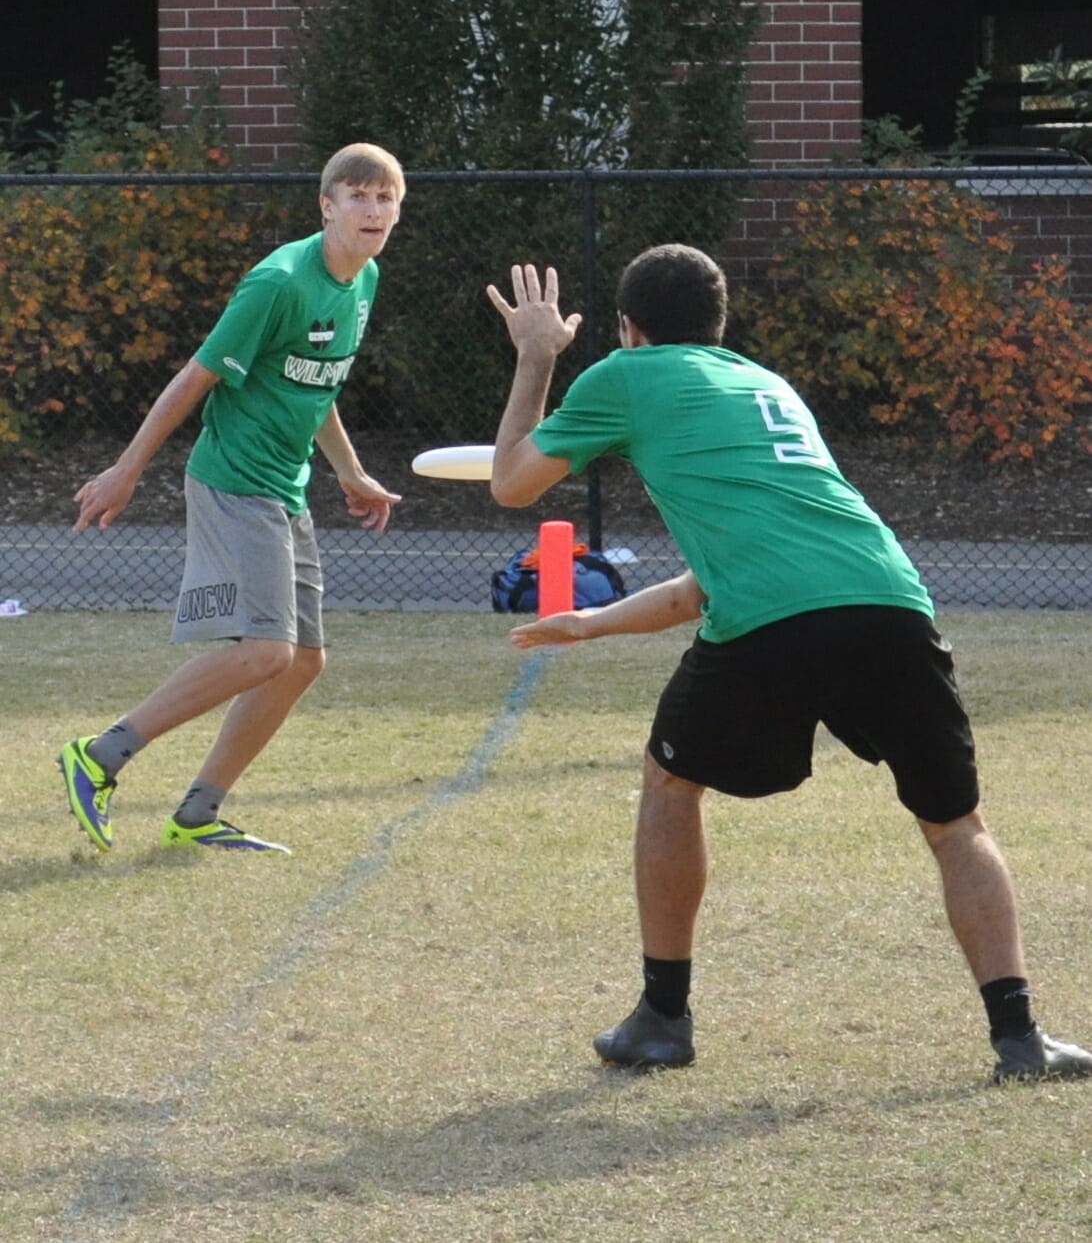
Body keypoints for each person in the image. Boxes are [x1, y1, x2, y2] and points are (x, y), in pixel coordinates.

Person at [486, 245, 1092, 1082]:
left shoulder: (629, 375)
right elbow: (716, 577)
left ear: (630, 329)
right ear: (719, 324)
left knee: (671, 783)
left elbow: (512, 482)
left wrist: (536, 358)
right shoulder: (765, 386)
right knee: (956, 825)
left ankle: (662, 1017)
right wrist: (590, 623)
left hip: (776, 619)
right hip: (890, 599)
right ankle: (1022, 1038)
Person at [58, 142, 405, 855]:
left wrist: (349, 470)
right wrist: (127, 470)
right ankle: (99, 755)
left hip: (287, 485)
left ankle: (197, 814)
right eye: (359, 196)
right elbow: (194, 377)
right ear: (327, 204)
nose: (373, 211)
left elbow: (318, 385)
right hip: (234, 480)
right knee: (264, 651)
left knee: (304, 659)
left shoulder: (364, 278)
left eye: (386, 198)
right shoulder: (278, 282)